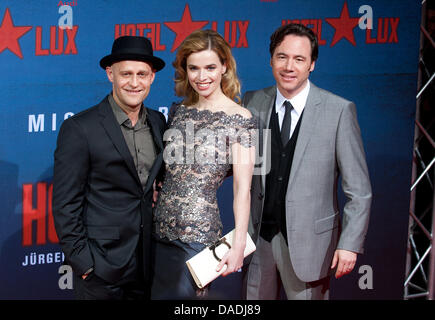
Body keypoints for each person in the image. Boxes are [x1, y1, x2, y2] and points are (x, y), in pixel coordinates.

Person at [242, 23, 372, 300]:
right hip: (258, 241)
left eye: (299, 59)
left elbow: (359, 191)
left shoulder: (338, 110)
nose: (289, 66)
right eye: (282, 56)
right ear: (271, 59)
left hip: (311, 246)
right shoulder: (252, 102)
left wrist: (349, 244)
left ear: (312, 64)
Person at [52, 36, 166, 300]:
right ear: (110, 74)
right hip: (100, 267)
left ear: (152, 77)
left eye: (142, 74)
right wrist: (84, 264)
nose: (134, 83)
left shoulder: (159, 122)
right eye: (126, 74)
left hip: (147, 264)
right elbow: (65, 203)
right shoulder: (81, 128)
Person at [151, 29, 256, 299]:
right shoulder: (179, 110)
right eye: (193, 68)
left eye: (210, 67)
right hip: (156, 232)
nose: (202, 76)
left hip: (196, 237)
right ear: (185, 70)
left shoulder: (240, 118)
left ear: (224, 67)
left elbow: (242, 189)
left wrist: (239, 244)